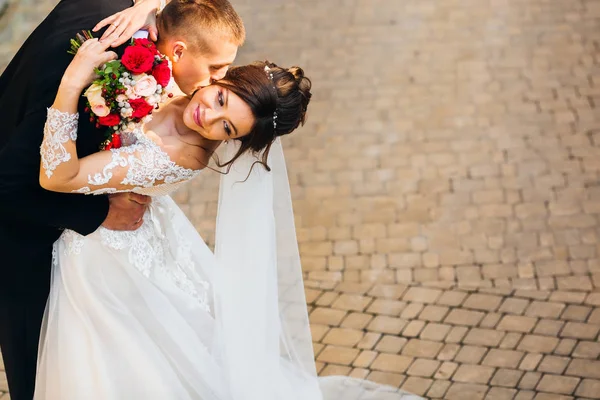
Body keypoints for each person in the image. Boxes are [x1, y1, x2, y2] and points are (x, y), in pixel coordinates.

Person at [34, 33, 422, 400]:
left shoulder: (178, 155)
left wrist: (71, 85)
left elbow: (58, 175)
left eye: (226, 127)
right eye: (220, 98)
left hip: (106, 260)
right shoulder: (180, 83)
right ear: (220, 78)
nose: (208, 116)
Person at [0, 0, 244, 398]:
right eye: (217, 68)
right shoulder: (97, 76)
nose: (219, 79)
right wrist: (98, 210)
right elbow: (9, 182)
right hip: (19, 234)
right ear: (179, 50)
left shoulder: (118, 10)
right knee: (37, 363)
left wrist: (147, 4)